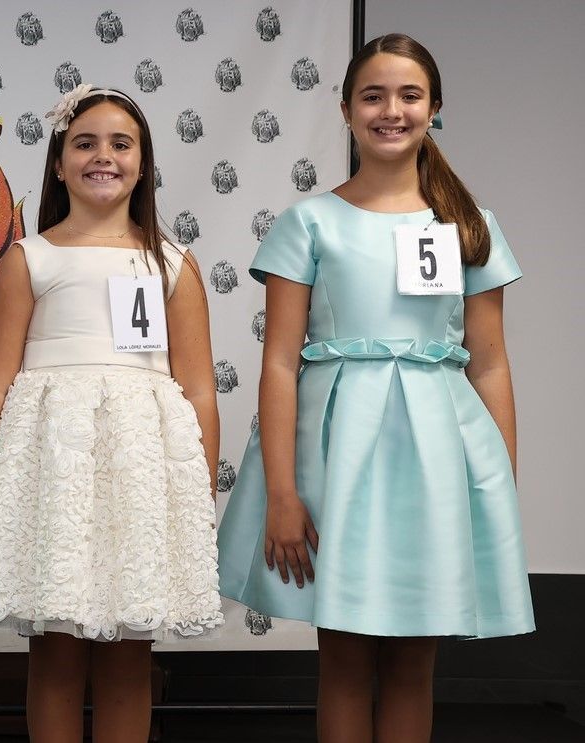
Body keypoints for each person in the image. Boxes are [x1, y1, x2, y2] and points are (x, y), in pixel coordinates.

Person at [216, 34, 535, 742]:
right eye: (374, 95)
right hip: (339, 458)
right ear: (346, 109)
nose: (392, 110)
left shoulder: (469, 226)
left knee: (415, 661)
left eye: (410, 95)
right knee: (345, 657)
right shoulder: (310, 221)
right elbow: (277, 362)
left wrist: (497, 486)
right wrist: (282, 492)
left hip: (437, 459)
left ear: (435, 108)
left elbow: (489, 363)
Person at [0, 84, 223, 743]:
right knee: (55, 649)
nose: (102, 156)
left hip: (137, 480)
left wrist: (194, 499)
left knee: (127, 653)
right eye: (84, 142)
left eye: (120, 143)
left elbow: (197, 389)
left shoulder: (172, 263)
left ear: (143, 162)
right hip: (54, 479)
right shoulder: (31, 258)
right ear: (58, 161)